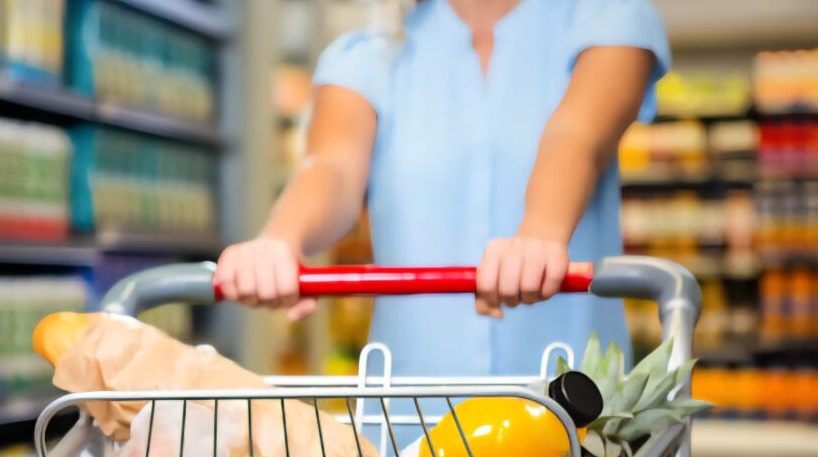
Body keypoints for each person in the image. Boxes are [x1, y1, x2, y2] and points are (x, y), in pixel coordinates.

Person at [216, 0, 669, 379]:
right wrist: (279, 238)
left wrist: (540, 232)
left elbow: (579, 135)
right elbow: (330, 168)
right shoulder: (369, 54)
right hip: (412, 428)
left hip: (574, 420)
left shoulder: (607, 18)